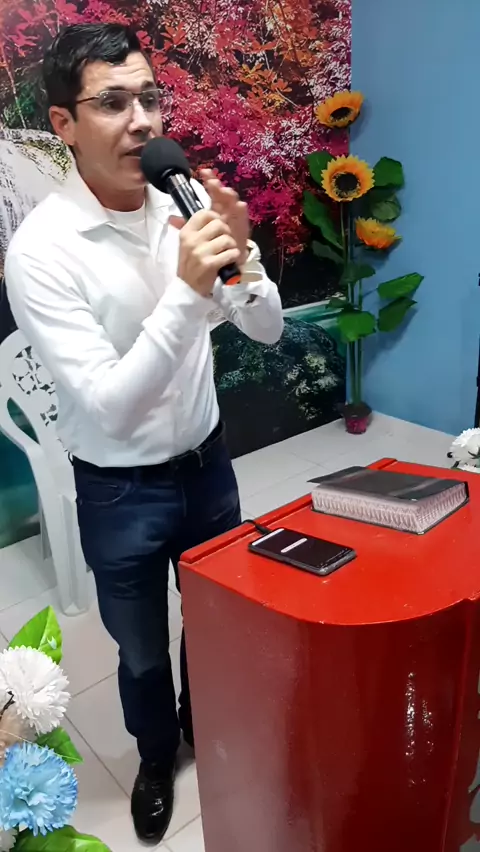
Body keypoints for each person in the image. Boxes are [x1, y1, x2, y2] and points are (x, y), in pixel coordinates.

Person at [5, 22, 283, 844]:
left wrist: (245, 263)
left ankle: (210, 724)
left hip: (208, 466)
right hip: (119, 489)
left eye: (150, 99)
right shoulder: (41, 253)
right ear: (63, 123)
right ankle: (157, 758)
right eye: (113, 103)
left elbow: (266, 328)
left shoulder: (181, 205)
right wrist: (190, 292)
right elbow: (109, 405)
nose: (142, 122)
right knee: (140, 652)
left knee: (216, 622)